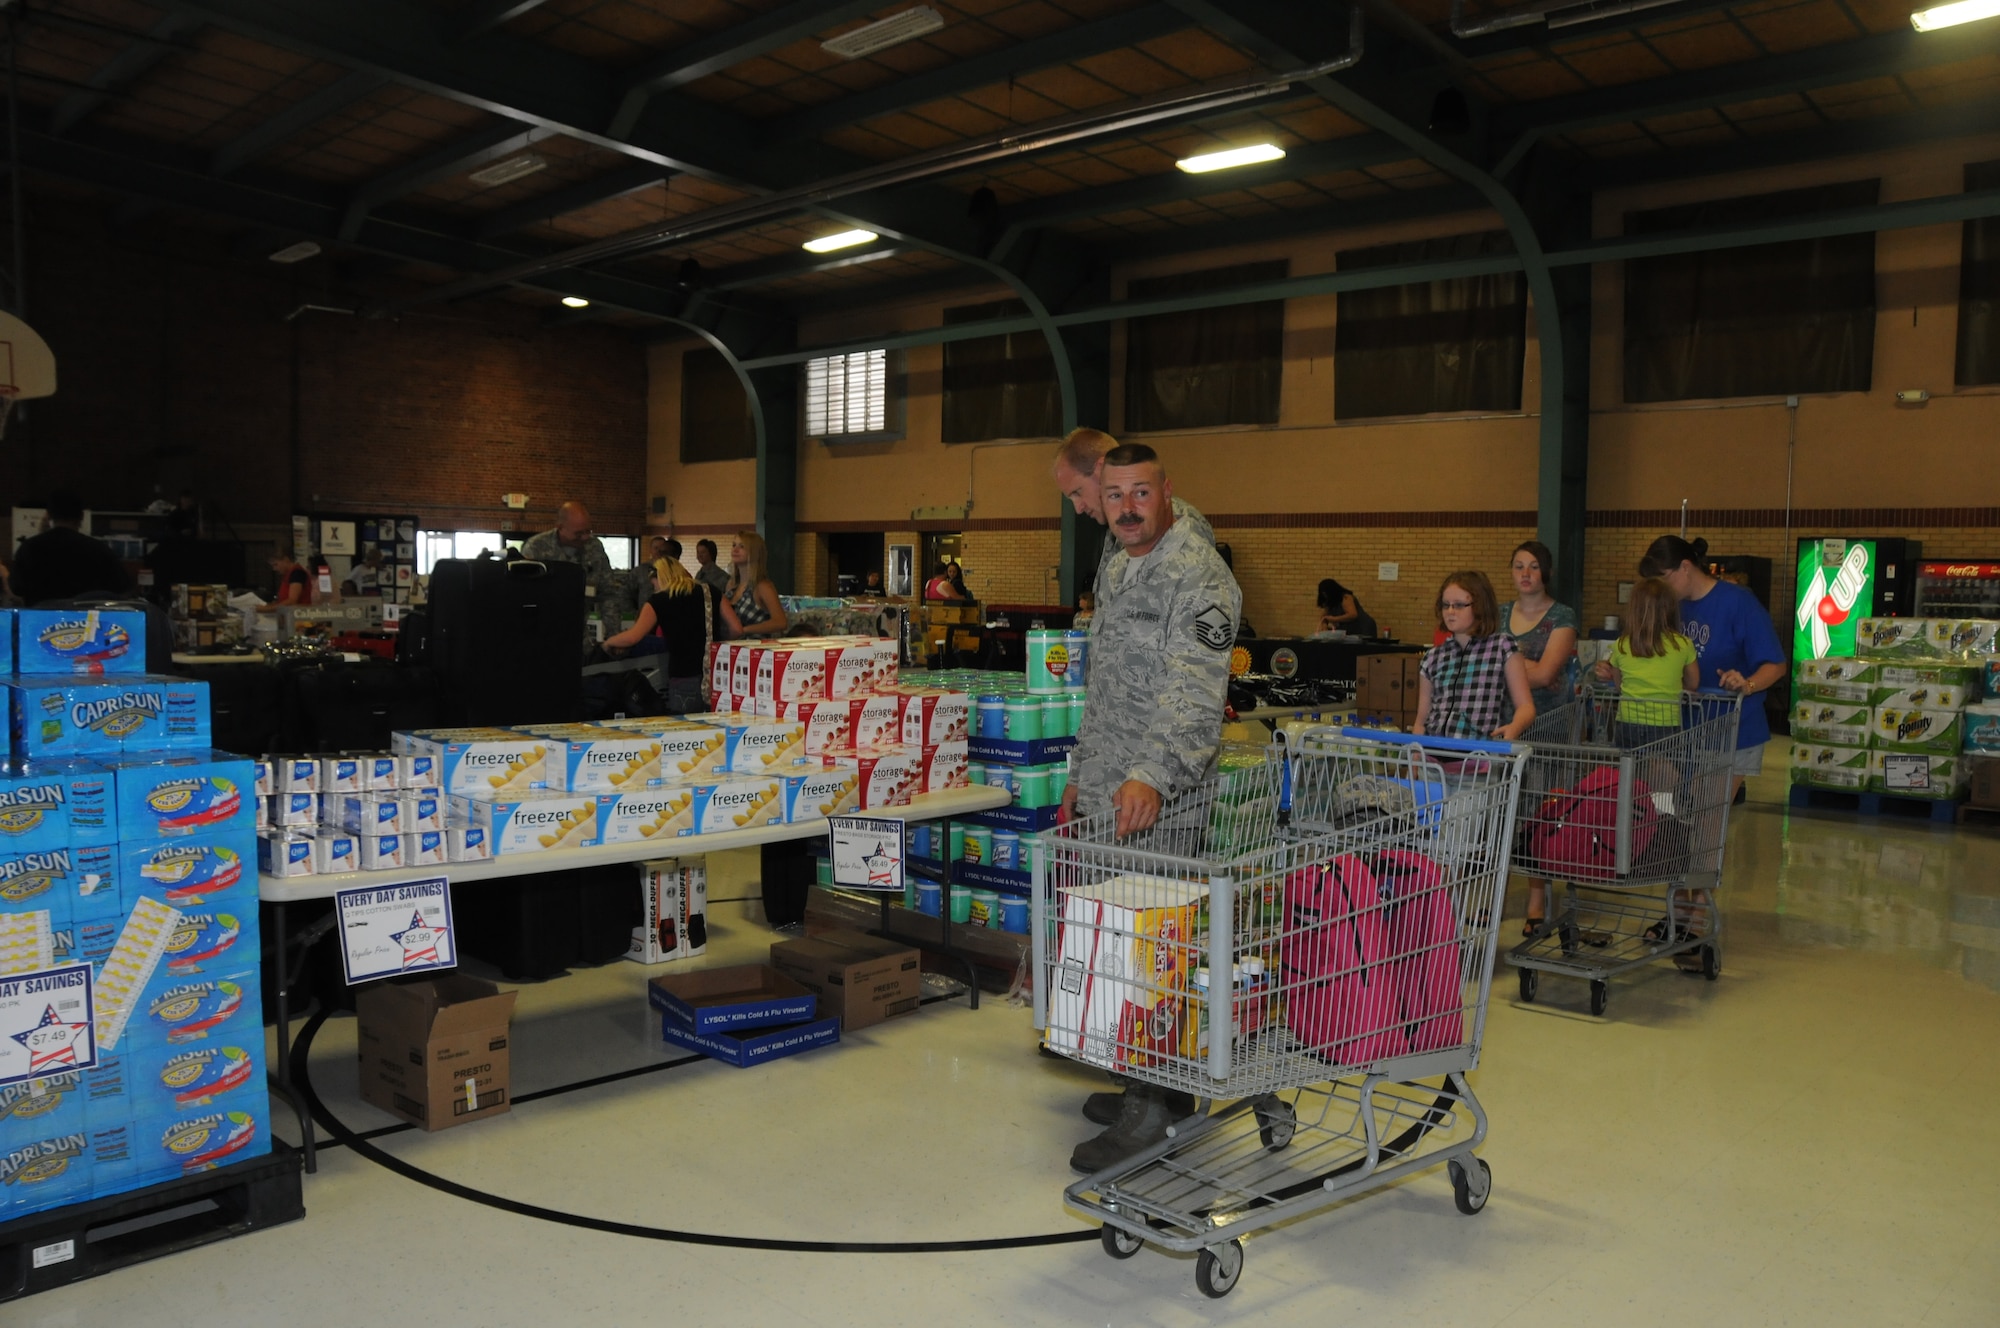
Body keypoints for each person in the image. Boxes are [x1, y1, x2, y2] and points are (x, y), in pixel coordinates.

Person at [1059, 443, 1240, 1176]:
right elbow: (1104, 674)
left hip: (1160, 800)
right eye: (1114, 496)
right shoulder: (1117, 553)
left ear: (1168, 490)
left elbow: (1193, 695)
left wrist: (1151, 776)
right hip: (1108, 789)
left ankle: (1151, 1108)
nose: (1126, 509)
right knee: (1117, 945)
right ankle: (1152, 1083)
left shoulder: (1200, 576)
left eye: (1140, 494)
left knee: (1151, 953)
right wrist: (1081, 772)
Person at [1632, 534, 1784, 801]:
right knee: (1664, 819)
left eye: (1664, 577)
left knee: (1707, 823)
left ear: (1686, 567)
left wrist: (1747, 684)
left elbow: (1776, 665)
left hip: (1731, 731)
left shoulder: (1738, 602)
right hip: (1679, 730)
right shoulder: (1668, 607)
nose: (1660, 588)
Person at [1053, 427, 1214, 608]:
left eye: (1077, 492)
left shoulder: (1178, 523)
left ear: (1100, 470)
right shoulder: (1117, 533)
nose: (1078, 508)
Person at [1413, 570, 1534, 743]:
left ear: (1480, 606)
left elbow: (1526, 706)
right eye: (1445, 605)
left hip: (1480, 758)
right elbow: (1421, 719)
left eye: (1459, 605)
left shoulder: (1502, 647)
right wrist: (1416, 754)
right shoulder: (1433, 657)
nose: (1450, 611)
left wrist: (1515, 727)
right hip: (1434, 758)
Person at [604, 556, 733, 712]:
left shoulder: (659, 600)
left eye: (654, 584)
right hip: (719, 675)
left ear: (660, 577)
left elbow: (633, 636)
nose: (655, 589)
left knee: (686, 731)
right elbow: (736, 628)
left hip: (683, 676)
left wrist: (608, 643)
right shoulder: (710, 591)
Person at [520, 501, 637, 654]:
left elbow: (609, 594)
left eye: (588, 531)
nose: (585, 537)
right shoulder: (536, 548)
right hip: (540, 635)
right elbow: (524, 595)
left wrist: (615, 636)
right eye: (578, 533)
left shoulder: (594, 547)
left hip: (579, 637)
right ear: (560, 527)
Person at [1498, 542, 1578, 722]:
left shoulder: (1562, 616)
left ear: (1548, 572)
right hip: (1502, 722)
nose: (1525, 574)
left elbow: (1544, 676)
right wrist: (1530, 665)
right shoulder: (1499, 614)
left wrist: (1501, 667)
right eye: (1519, 567)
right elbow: (1484, 663)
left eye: (1534, 567)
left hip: (1547, 725)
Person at [10, 490, 132, 605]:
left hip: (40, 619)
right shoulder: (99, 549)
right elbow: (121, 587)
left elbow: (16, 589)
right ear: (82, 516)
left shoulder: (29, 548)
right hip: (86, 622)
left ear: (48, 516)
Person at [726, 530, 787, 638]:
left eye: (742, 546)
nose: (735, 549)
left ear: (754, 552)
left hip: (755, 648)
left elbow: (780, 622)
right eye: (734, 545)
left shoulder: (763, 587)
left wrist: (744, 630)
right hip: (731, 648)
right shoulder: (731, 585)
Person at [259, 547, 314, 613]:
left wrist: (267, 609)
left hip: (299, 616)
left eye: (276, 564)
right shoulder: (288, 574)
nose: (274, 569)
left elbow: (292, 600)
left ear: (286, 559)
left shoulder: (297, 573)